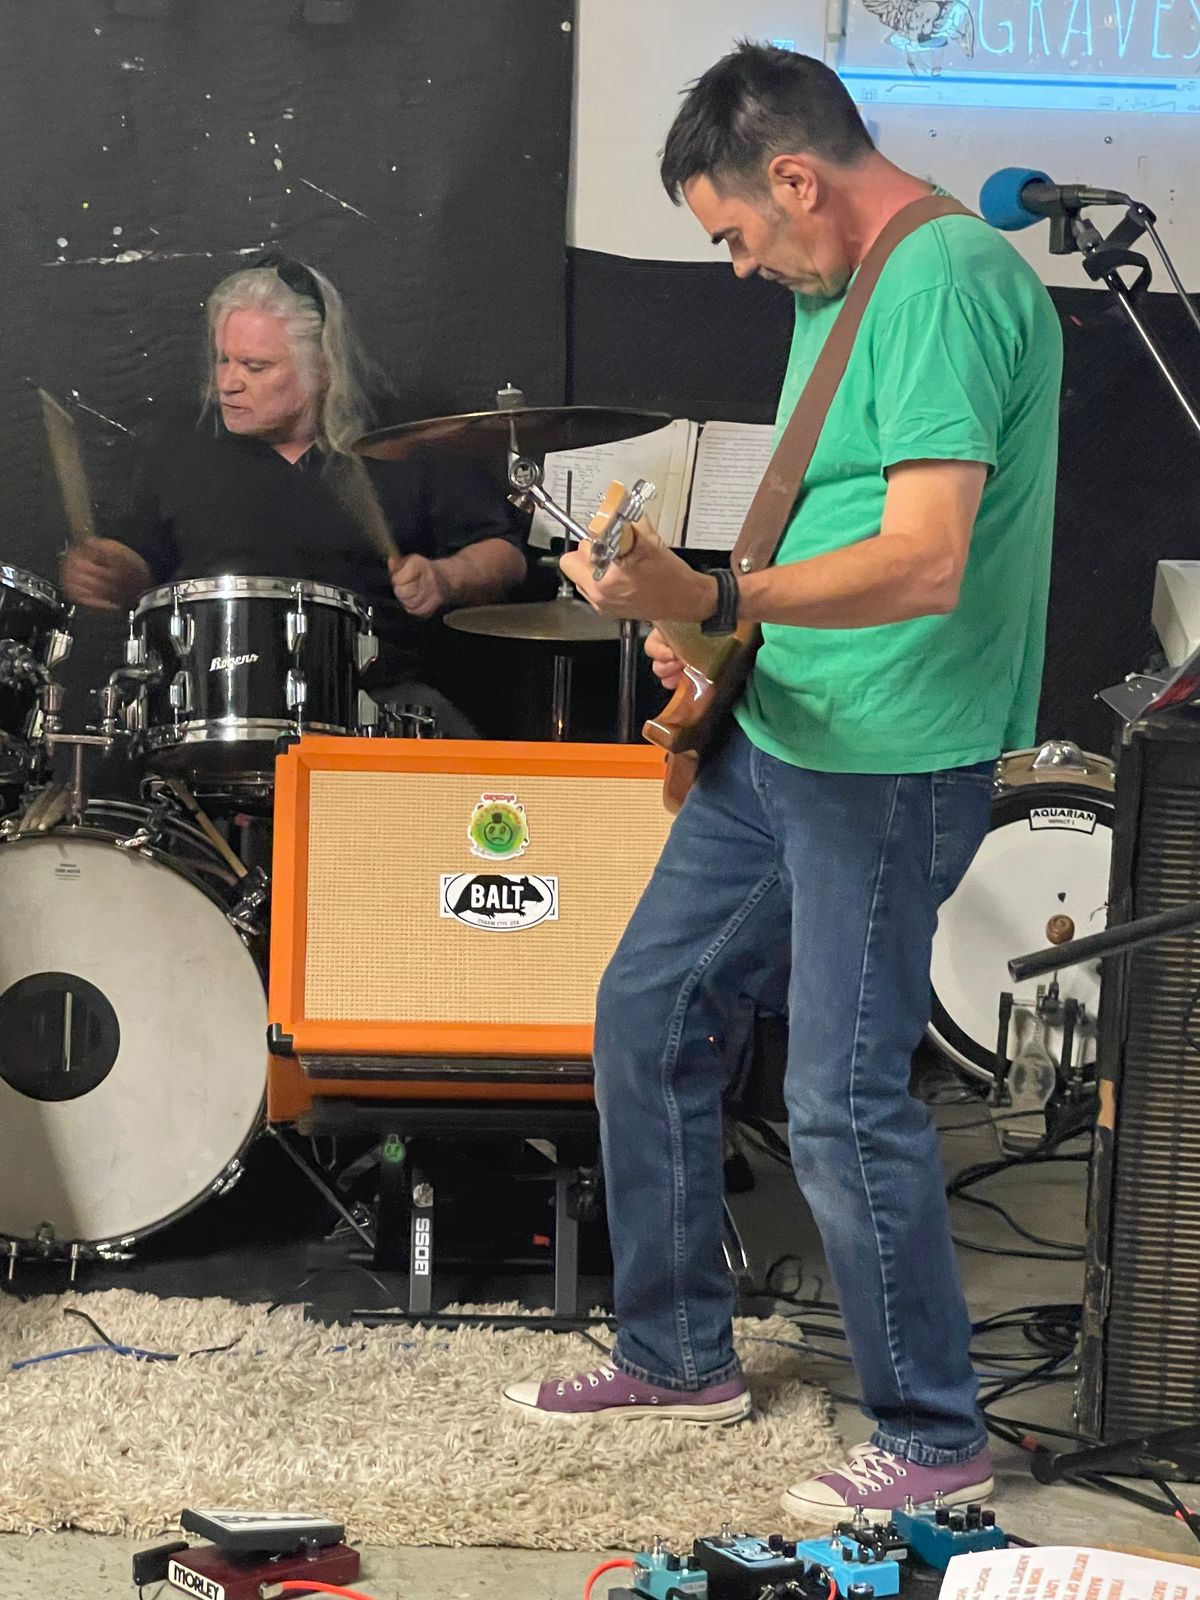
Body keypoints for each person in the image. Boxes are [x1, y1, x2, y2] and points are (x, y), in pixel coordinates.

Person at [502, 42, 1061, 1522]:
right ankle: (678, 1353)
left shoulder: (942, 285)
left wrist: (713, 595)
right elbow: (820, 536)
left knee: (840, 1099)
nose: (740, 266)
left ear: (798, 178)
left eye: (736, 232)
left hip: (889, 759)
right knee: (650, 1010)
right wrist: (705, 634)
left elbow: (925, 561)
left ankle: (933, 1434)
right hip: (790, 730)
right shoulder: (840, 288)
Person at [61, 256, 526, 735]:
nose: (227, 383)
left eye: (255, 366)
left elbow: (505, 554)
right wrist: (110, 572)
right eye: (223, 359)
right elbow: (139, 559)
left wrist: (446, 577)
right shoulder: (181, 444)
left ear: (321, 367)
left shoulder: (400, 442)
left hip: (373, 703)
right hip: (210, 709)